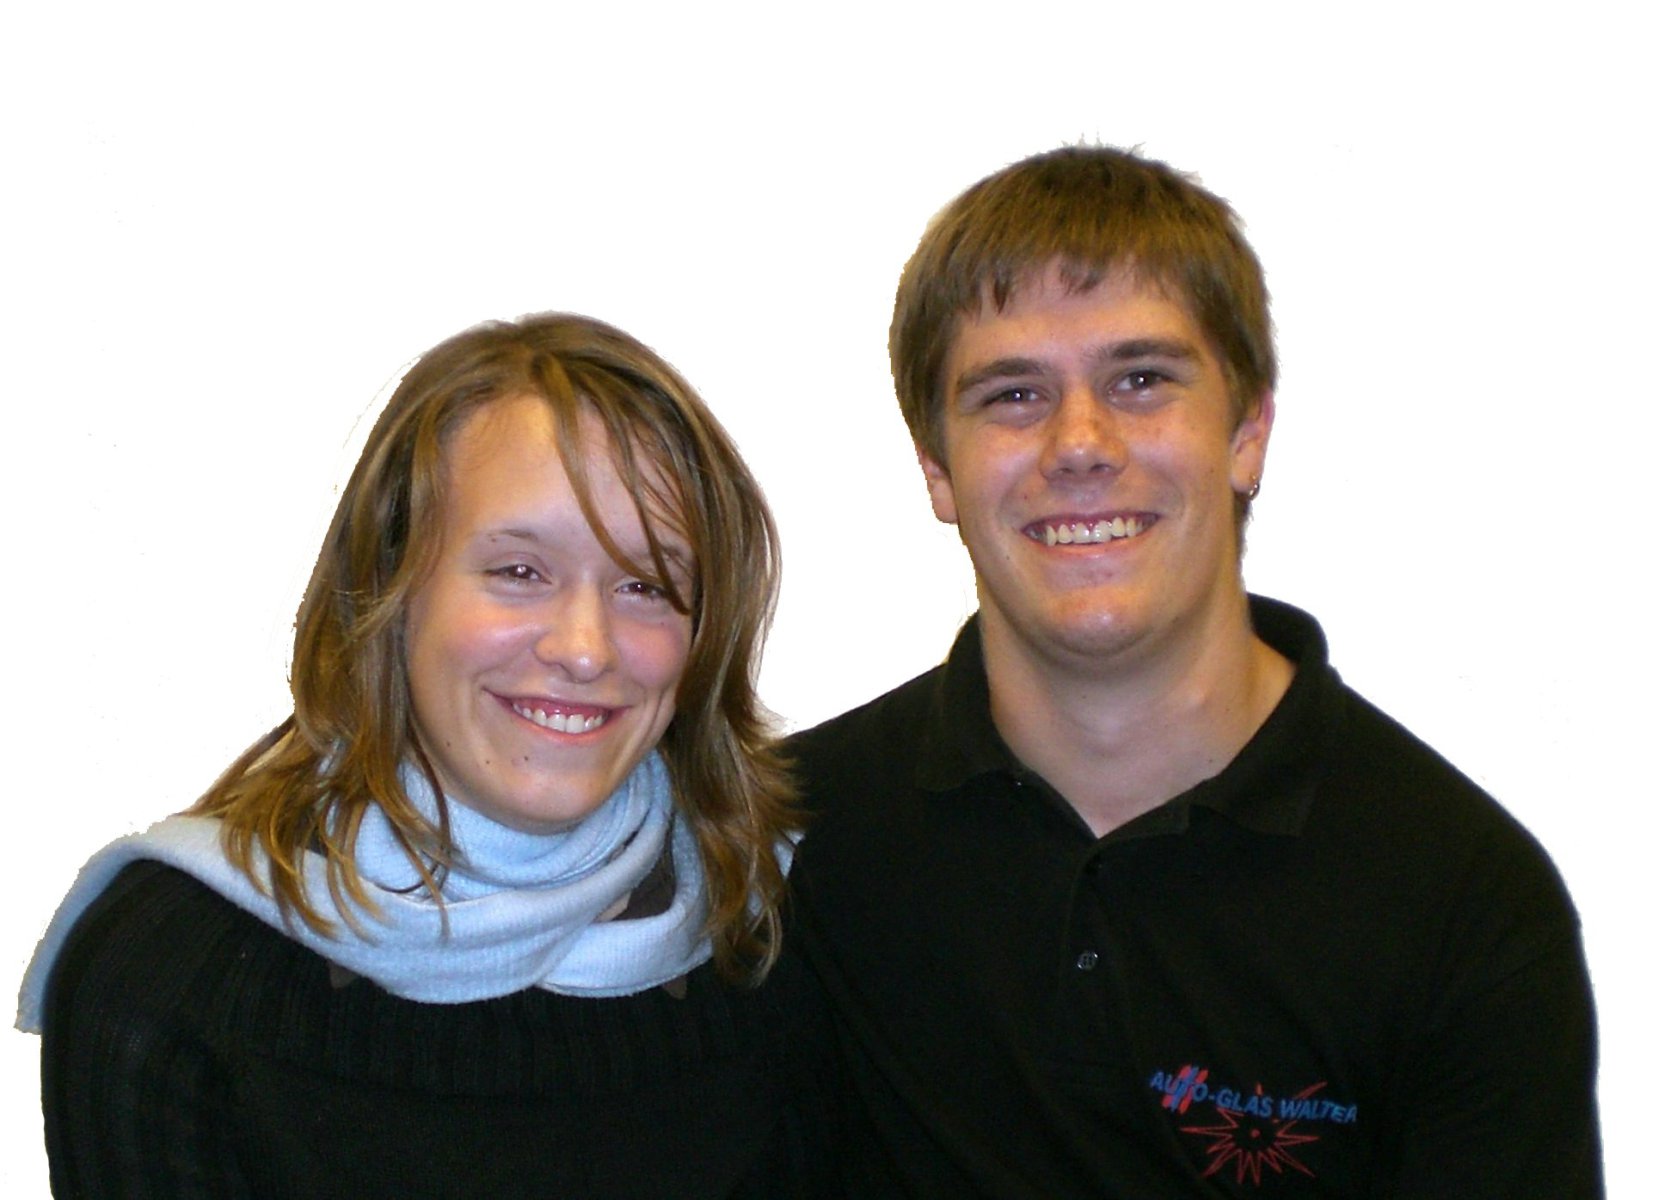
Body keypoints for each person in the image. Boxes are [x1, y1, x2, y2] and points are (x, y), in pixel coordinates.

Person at [786, 146, 1603, 1197]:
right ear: (937, 469)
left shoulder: (1465, 904)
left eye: (1141, 380)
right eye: (1013, 394)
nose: (1079, 443)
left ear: (1247, 432)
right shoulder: (784, 845)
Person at [18, 314, 834, 1199]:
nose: (585, 647)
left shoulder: (772, 936)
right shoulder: (173, 973)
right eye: (519, 571)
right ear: (389, 588)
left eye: (646, 585)